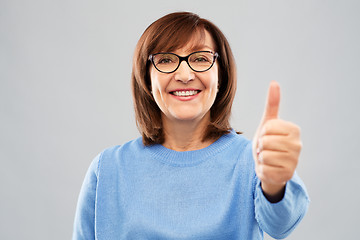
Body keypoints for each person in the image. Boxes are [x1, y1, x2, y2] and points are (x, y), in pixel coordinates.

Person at [72, 12, 309, 240]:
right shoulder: (107, 170)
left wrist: (274, 184)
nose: (184, 74)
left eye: (200, 59)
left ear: (221, 76)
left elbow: (282, 225)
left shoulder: (254, 160)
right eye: (165, 60)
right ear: (146, 78)